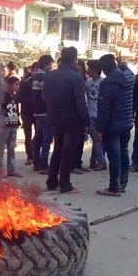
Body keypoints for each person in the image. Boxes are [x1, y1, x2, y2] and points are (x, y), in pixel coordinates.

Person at [43, 47, 88, 194]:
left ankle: (51, 182)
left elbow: (45, 97)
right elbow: (80, 102)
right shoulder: (77, 78)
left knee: (57, 150)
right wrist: (85, 121)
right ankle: (65, 184)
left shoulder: (50, 75)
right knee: (68, 152)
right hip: (71, 119)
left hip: (55, 117)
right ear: (75, 60)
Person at [95, 54, 136, 196]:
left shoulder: (107, 84)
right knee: (124, 152)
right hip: (126, 122)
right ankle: (123, 184)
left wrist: (99, 130)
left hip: (112, 125)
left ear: (104, 70)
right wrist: (122, 63)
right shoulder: (129, 77)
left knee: (114, 156)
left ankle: (113, 187)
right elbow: (129, 71)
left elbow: (104, 109)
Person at [0, 76, 22, 178]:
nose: (18, 87)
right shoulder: (2, 97)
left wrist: (17, 121)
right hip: (4, 127)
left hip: (13, 126)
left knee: (12, 148)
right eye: (16, 85)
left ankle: (11, 170)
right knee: (1, 149)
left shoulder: (14, 96)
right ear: (9, 86)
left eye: (18, 84)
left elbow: (15, 110)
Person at [32, 55, 55, 172]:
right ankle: (44, 164)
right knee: (47, 138)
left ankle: (36, 161)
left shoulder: (36, 75)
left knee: (39, 137)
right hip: (45, 111)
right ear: (46, 64)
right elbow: (45, 95)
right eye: (51, 64)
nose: (51, 67)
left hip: (37, 111)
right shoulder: (44, 77)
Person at [85, 60, 107, 171]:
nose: (87, 70)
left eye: (89, 68)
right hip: (90, 114)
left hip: (99, 115)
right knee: (95, 139)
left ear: (94, 70)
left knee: (97, 139)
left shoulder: (104, 83)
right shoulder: (88, 82)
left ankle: (102, 162)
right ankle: (93, 161)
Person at [72, 59, 90, 174]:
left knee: (81, 141)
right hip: (76, 114)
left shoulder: (86, 81)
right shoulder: (73, 81)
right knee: (74, 141)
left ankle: (78, 163)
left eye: (80, 69)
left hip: (84, 112)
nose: (78, 71)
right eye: (76, 69)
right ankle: (73, 165)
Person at [17, 62, 36, 166]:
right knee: (28, 135)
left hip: (38, 113)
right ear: (32, 71)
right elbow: (19, 97)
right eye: (35, 70)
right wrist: (33, 101)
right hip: (26, 113)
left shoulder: (43, 82)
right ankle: (30, 156)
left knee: (39, 135)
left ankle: (35, 153)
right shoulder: (25, 82)